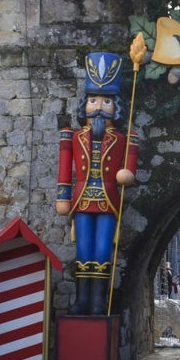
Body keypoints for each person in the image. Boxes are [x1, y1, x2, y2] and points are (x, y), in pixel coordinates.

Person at [56, 52, 138, 315]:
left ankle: (98, 300)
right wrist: (62, 195)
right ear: (85, 104)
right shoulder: (74, 135)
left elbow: (130, 166)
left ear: (116, 106)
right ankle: (82, 299)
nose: (98, 106)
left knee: (103, 248)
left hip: (108, 200)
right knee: (83, 248)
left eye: (105, 101)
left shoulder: (125, 138)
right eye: (93, 100)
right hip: (81, 198)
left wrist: (128, 174)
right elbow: (64, 166)